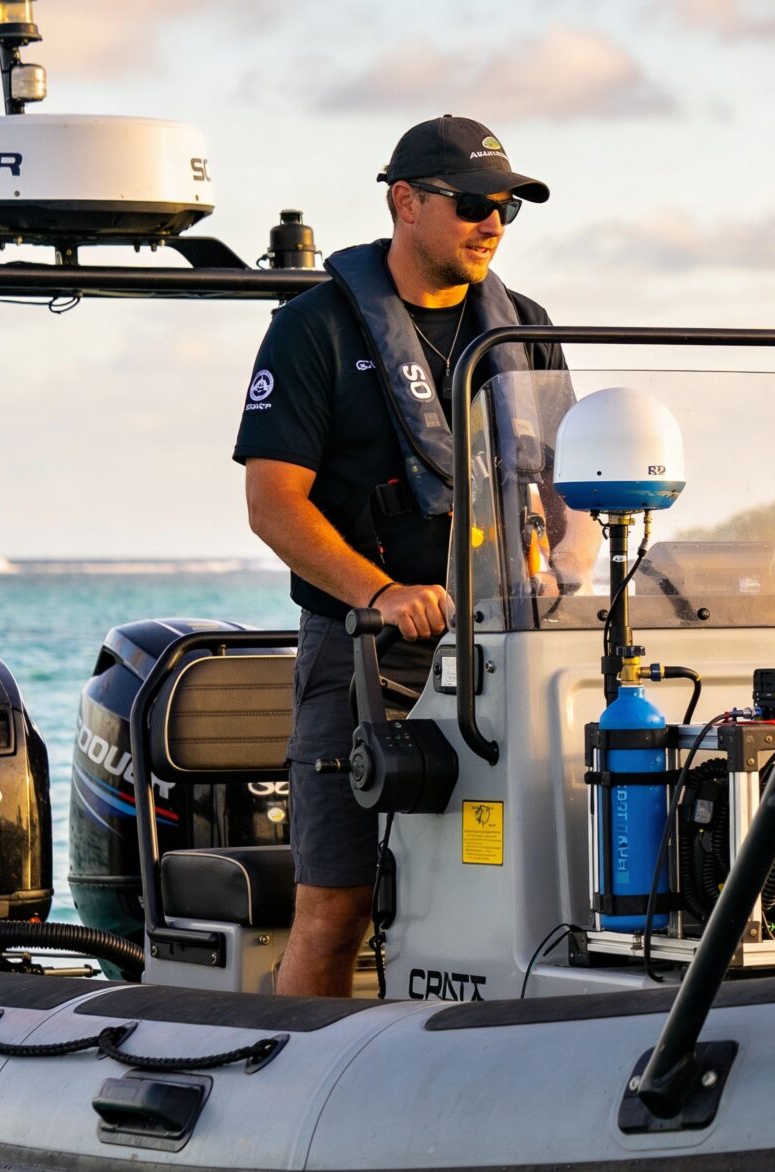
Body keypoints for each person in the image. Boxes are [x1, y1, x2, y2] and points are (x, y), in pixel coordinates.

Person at [235, 115, 590, 996]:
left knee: (541, 885)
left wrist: (568, 569)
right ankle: (290, 1098)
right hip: (368, 657)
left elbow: (576, 492)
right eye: (474, 203)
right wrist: (383, 591)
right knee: (336, 907)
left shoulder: (524, 329)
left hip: (514, 653)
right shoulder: (312, 329)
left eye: (507, 208)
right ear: (405, 201)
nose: (493, 224)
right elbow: (272, 504)